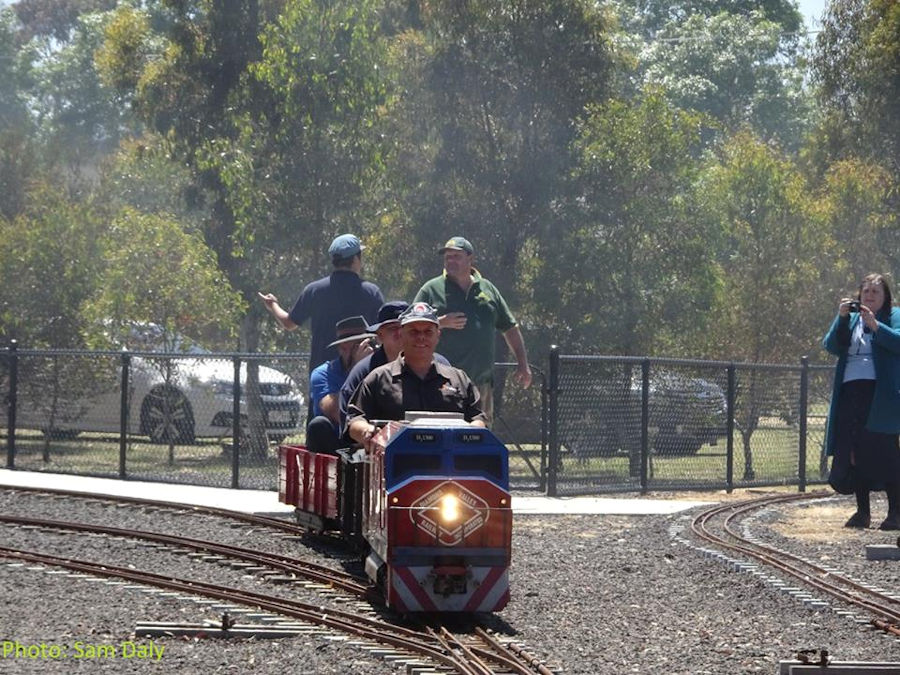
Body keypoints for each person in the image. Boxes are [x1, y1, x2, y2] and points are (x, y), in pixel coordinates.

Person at [413, 236, 531, 425]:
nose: (451, 261)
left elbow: (510, 328)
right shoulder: (431, 289)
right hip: (442, 384)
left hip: (481, 384)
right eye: (447, 257)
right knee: (445, 437)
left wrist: (523, 364)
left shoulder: (488, 289)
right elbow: (411, 326)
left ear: (470, 259)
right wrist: (440, 322)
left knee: (479, 441)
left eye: (456, 256)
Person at [347, 302, 486, 450]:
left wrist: (472, 433)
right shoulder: (378, 378)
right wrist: (366, 432)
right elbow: (354, 420)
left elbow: (478, 419)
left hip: (452, 466)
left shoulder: (458, 379)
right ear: (401, 334)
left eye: (428, 332)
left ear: (438, 335)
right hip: (394, 466)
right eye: (413, 332)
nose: (421, 337)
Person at [823, 273, 900, 530]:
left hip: (880, 395)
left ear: (885, 297)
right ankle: (862, 513)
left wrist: (877, 326)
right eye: (866, 291)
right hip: (850, 391)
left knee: (885, 452)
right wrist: (842, 318)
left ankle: (896, 513)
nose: (869, 296)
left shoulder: (895, 316)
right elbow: (832, 345)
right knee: (855, 452)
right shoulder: (852, 319)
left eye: (875, 292)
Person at [257, 234, 383, 371]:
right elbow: (382, 333)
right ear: (355, 259)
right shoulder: (371, 292)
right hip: (361, 372)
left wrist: (273, 305)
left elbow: (289, 323)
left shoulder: (314, 291)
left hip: (323, 373)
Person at [338, 301, 450, 438]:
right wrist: (369, 434)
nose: (399, 333)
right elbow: (351, 423)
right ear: (379, 336)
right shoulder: (365, 373)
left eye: (405, 327)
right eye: (392, 328)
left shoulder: (444, 367)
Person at [306, 316, 374, 454]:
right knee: (318, 425)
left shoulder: (379, 370)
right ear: (342, 347)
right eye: (357, 345)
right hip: (338, 446)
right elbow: (337, 413)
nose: (365, 349)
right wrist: (358, 369)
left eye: (366, 343)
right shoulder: (322, 374)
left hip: (370, 437)